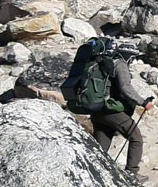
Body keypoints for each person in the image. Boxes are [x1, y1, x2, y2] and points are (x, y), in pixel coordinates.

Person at [63, 38, 153, 178]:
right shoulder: (120, 64)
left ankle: (91, 172)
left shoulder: (101, 62)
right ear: (128, 55)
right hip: (109, 110)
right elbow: (126, 88)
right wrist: (143, 102)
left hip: (95, 110)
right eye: (133, 57)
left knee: (100, 147)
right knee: (136, 137)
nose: (133, 61)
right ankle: (132, 173)